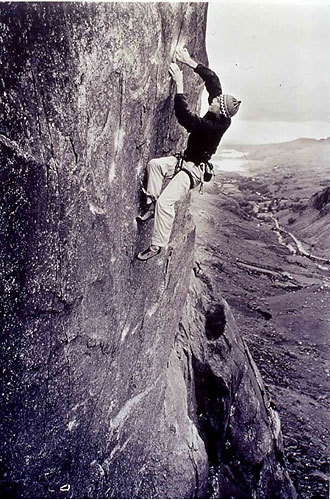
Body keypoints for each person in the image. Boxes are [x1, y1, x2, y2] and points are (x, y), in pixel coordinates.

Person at [137, 47, 241, 261]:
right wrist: (189, 61)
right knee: (155, 166)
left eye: (214, 102)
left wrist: (180, 84)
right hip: (184, 160)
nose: (211, 100)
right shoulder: (219, 110)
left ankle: (157, 246)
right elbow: (213, 80)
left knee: (167, 202)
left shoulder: (214, 126)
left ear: (219, 111)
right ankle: (150, 205)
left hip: (192, 171)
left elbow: (187, 119)